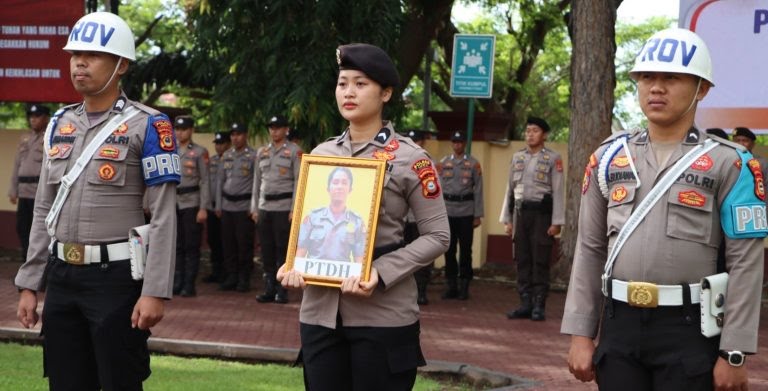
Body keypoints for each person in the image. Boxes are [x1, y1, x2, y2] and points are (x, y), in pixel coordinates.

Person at [563, 28, 766, 390]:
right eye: (647, 77)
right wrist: (580, 332)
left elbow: (746, 263)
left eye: (671, 78)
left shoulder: (731, 164)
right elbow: (590, 248)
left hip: (690, 330)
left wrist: (734, 351)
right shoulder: (608, 157)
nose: (656, 88)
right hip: (619, 325)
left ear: (701, 89)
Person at [15, 11, 180, 390]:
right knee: (65, 381)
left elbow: (163, 216)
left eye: (93, 55)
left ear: (121, 64)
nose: (80, 63)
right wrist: (30, 282)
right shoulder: (60, 124)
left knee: (120, 380)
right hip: (62, 277)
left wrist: (154, 291)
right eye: (75, 55)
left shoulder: (150, 126)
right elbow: (44, 208)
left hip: (116, 281)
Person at [278, 43, 450, 390]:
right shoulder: (321, 155)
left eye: (361, 84)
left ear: (385, 93)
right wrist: (293, 263)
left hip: (383, 315)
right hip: (320, 314)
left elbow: (438, 236)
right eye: (343, 83)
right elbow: (305, 225)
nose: (349, 93)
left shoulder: (410, 158)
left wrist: (381, 272)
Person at [501, 117, 564, 321]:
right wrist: (507, 219)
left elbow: (559, 191)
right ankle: (525, 303)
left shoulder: (553, 159)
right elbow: (509, 190)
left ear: (544, 135)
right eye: (528, 130)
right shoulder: (518, 157)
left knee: (540, 259)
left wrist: (557, 222)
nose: (530, 134)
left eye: (535, 131)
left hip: (541, 216)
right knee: (522, 259)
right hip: (520, 214)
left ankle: (539, 305)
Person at [252, 114, 303, 303]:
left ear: (286, 129)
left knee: (283, 249)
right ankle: (269, 287)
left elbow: (299, 181)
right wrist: (254, 207)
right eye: (271, 127)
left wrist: (294, 209)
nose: (274, 131)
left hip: (283, 208)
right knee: (266, 249)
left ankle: (282, 290)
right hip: (265, 206)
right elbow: (256, 182)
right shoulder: (262, 152)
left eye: (278, 127)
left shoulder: (295, 151)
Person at [437, 131, 484, 300]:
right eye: (454, 142)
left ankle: (464, 285)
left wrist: (478, 214)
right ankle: (451, 285)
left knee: (466, 250)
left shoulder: (473, 164)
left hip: (466, 212)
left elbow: (478, 190)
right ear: (452, 144)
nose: (457, 145)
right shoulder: (443, 163)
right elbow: (437, 189)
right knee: (449, 250)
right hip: (447, 211)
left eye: (460, 142)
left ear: (464, 144)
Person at [216, 122, 257, 292]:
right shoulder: (226, 155)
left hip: (243, 207)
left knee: (244, 244)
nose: (235, 137)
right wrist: (218, 205)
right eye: (232, 134)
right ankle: (231, 276)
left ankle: (243, 278)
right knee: (228, 244)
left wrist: (253, 207)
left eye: (238, 134)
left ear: (246, 135)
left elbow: (257, 183)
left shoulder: (253, 155)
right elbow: (220, 181)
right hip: (227, 206)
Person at [295, 167, 367, 263]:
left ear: (350, 189)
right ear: (328, 188)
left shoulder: (357, 221)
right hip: (311, 274)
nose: (339, 187)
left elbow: (359, 259)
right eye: (335, 182)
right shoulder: (313, 217)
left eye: (344, 183)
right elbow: (300, 252)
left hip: (343, 277)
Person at [173, 115, 210, 297]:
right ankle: (177, 281)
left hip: (192, 202)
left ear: (191, 130)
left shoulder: (199, 151)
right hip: (174, 202)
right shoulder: (169, 150)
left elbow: (205, 181)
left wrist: (203, 207)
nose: (180, 133)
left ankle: (189, 283)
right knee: (176, 245)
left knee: (191, 245)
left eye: (184, 129)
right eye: (177, 129)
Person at [9, 104, 49, 262]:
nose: (33, 119)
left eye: (37, 116)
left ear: (46, 118)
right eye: (31, 116)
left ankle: (39, 260)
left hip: (39, 191)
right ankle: (26, 258)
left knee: (38, 228)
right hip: (24, 190)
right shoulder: (25, 138)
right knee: (22, 227)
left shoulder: (50, 137)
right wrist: (13, 190)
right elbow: (17, 165)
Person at [404, 129, 433, 305]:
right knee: (402, 254)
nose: (414, 143)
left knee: (421, 256)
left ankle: (421, 290)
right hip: (402, 219)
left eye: (417, 140)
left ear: (423, 142)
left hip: (418, 218)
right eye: (411, 140)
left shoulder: (427, 162)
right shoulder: (401, 160)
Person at [203, 130, 231, 283]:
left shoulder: (231, 159)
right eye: (217, 144)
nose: (219, 147)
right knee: (213, 240)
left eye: (222, 144)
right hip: (212, 206)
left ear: (228, 144)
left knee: (226, 241)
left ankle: (227, 272)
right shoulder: (212, 161)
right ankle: (216, 270)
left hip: (226, 206)